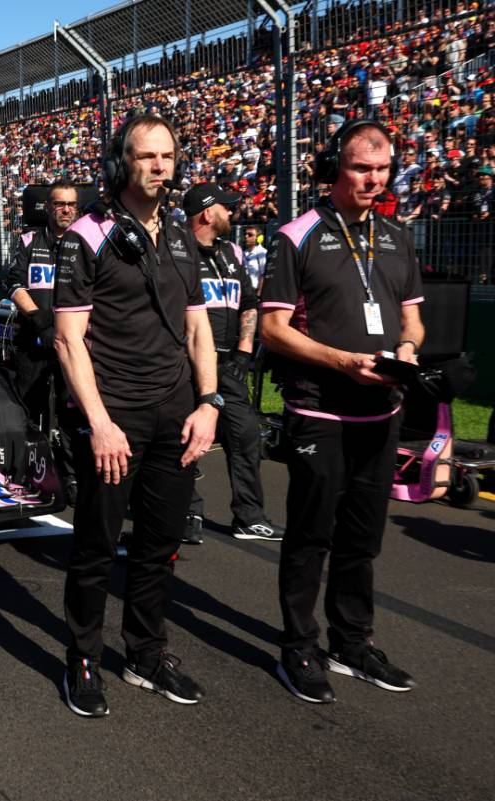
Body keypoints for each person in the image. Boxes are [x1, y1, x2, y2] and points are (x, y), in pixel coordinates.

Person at [53, 114, 219, 717]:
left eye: (167, 156)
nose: (158, 166)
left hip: (176, 414)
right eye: (146, 156)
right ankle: (83, 656)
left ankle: (146, 653)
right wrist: (99, 422)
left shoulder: (179, 232)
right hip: (114, 416)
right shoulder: (86, 236)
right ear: (120, 163)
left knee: (159, 544)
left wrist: (209, 403)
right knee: (97, 546)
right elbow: (69, 339)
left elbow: (198, 327)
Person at [261, 119, 424, 704]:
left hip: (380, 412)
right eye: (361, 168)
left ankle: (352, 642)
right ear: (335, 169)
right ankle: (299, 646)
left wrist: (408, 351)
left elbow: (412, 319)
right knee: (311, 536)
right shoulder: (296, 236)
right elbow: (272, 329)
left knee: (362, 539)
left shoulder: (398, 236)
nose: (373, 180)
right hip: (319, 411)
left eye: (382, 170)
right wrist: (340, 360)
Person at [180, 184, 283, 545]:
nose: (232, 212)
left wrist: (243, 351)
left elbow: (250, 302)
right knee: (186, 438)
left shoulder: (230, 251)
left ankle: (249, 517)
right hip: (188, 363)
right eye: (226, 207)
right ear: (208, 213)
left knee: (246, 434)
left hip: (229, 364)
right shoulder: (178, 251)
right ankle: (186, 512)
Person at [4, 179, 79, 501]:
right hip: (33, 339)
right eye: (59, 204)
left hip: (73, 342)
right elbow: (13, 283)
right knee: (28, 406)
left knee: (71, 409)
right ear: (48, 207)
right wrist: (38, 317)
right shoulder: (28, 240)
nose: (66, 210)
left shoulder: (84, 243)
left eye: (71, 204)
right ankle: (25, 470)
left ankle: (72, 476)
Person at [242, 225, 267, 290]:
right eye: (245, 234)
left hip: (255, 291)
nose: (246, 236)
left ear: (259, 238)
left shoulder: (262, 253)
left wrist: (259, 293)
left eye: (250, 235)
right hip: (245, 290)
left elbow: (263, 274)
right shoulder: (243, 253)